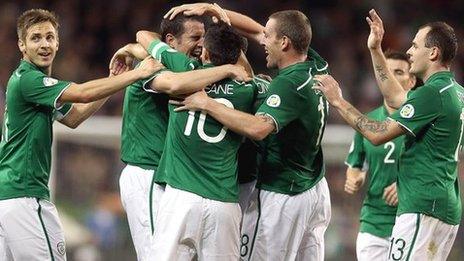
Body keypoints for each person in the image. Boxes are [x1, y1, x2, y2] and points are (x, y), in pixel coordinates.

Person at [0, 9, 161, 261]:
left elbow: (75, 117)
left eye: (49, 37)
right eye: (35, 38)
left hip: (9, 197)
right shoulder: (28, 80)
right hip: (24, 196)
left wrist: (113, 80)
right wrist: (138, 73)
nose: (44, 44)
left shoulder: (32, 85)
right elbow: (83, 92)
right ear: (21, 45)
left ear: (58, 41)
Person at [172, 9, 331, 260]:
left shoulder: (287, 84)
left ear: (285, 42)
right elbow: (257, 30)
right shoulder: (316, 64)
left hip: (284, 192)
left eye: (269, 36)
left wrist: (207, 103)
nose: (263, 40)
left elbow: (258, 129)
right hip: (314, 187)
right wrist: (217, 9)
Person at [314, 9, 461, 261]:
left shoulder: (431, 94)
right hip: (442, 205)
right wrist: (375, 49)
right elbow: (396, 97)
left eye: (415, 46)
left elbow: (376, 133)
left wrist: (338, 102)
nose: (410, 51)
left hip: (423, 206)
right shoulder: (452, 90)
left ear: (434, 52)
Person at [110, 14, 250, 261]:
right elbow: (176, 82)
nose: (201, 44)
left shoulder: (196, 71)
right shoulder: (153, 67)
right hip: (148, 174)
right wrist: (227, 68)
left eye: (204, 39)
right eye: (195, 37)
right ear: (170, 41)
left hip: (175, 181)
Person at [345, 50, 416, 260]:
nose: (391, 77)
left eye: (399, 72)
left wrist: (406, 183)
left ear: (412, 80)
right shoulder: (368, 122)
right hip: (373, 221)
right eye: (387, 71)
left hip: (410, 219)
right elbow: (355, 164)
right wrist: (353, 178)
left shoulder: (421, 120)